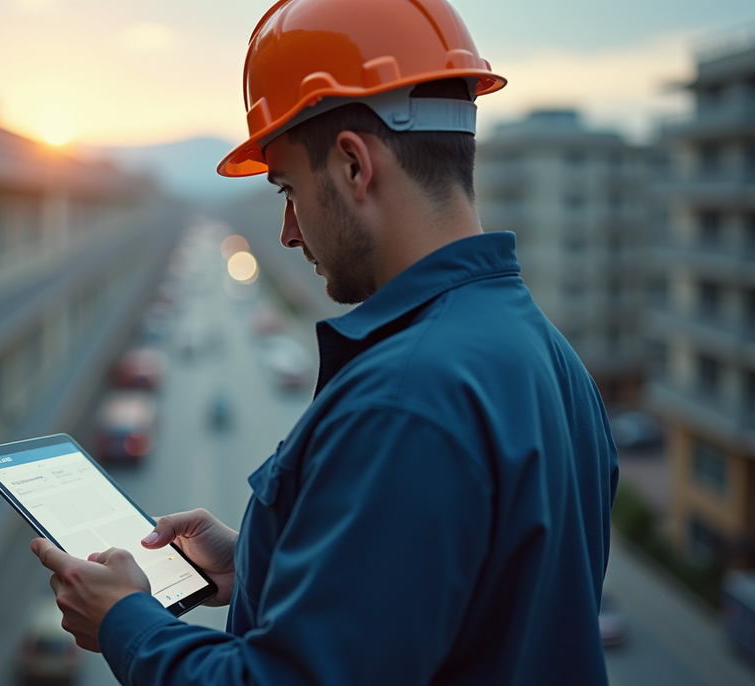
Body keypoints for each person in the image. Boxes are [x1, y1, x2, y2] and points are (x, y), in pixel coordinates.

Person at [32, 0, 619, 683]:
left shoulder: (405, 397)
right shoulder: (551, 361)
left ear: (352, 166)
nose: (287, 230)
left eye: (288, 189)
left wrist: (125, 622)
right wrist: (260, 556)